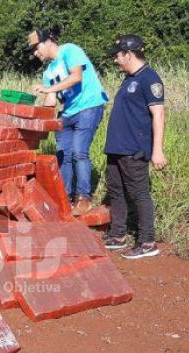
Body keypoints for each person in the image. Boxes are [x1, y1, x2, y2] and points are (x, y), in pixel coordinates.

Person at [26, 30, 109, 216]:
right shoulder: (48, 72)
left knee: (80, 151)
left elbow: (76, 76)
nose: (35, 53)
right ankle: (64, 198)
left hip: (89, 105)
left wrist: (48, 88)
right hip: (68, 112)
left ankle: (83, 198)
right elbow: (50, 102)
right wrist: (35, 118)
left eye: (36, 47)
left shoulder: (70, 50)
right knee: (63, 154)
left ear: (48, 41)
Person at [101, 35, 167, 260]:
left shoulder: (149, 78)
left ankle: (147, 242)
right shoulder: (128, 78)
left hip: (134, 149)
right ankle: (118, 235)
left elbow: (158, 114)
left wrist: (157, 150)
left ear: (128, 54)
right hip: (117, 147)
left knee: (139, 194)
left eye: (117, 55)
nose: (115, 60)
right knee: (116, 191)